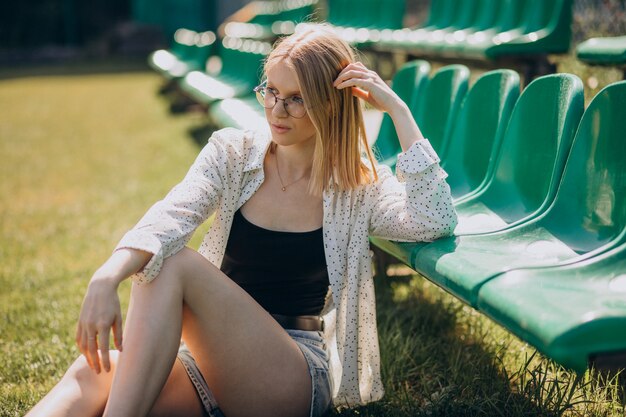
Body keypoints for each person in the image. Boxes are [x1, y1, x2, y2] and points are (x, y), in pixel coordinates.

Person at [26, 26, 456, 417]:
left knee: (173, 263)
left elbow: (433, 219)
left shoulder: (355, 185)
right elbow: (173, 214)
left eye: (296, 99)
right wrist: (106, 276)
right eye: (270, 91)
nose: (276, 110)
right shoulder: (233, 154)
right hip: (208, 364)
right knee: (91, 374)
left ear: (330, 103)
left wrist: (398, 110)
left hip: (290, 373)